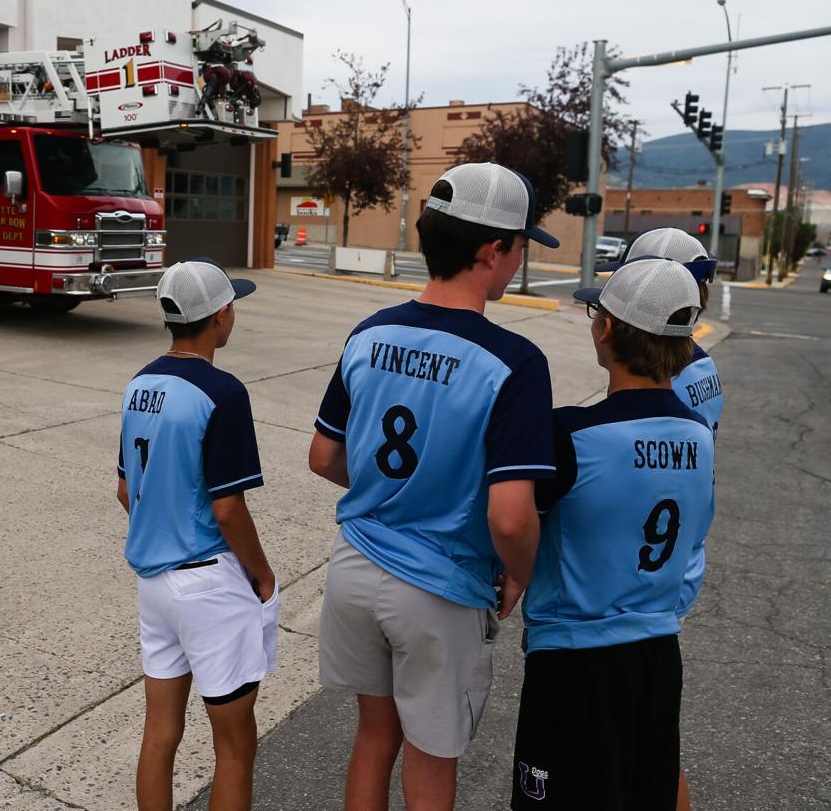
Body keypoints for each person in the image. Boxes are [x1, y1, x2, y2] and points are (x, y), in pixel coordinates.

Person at [309, 162, 560, 811]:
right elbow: (511, 519)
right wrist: (521, 575)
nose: (522, 256)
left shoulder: (370, 334)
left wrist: (386, 489)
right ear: (492, 249)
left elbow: (324, 455)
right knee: (430, 756)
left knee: (373, 735)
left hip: (354, 568)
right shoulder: (515, 364)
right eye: (521, 243)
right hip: (439, 590)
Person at [511, 258, 716, 810]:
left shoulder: (571, 434)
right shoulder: (699, 434)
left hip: (576, 659)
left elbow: (512, 521)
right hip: (656, 651)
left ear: (605, 330)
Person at [116, 258, 279, 811]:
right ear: (220, 315)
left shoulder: (141, 383)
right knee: (234, 747)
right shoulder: (222, 392)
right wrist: (262, 573)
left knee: (160, 734)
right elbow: (228, 508)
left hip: (154, 584)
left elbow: (124, 491)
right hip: (208, 584)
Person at [600, 227, 723, 811]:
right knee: (652, 738)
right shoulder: (701, 366)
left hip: (635, 574)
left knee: (635, 746)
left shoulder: (678, 380)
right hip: (676, 556)